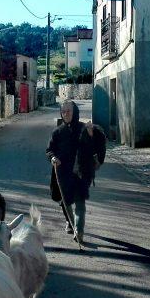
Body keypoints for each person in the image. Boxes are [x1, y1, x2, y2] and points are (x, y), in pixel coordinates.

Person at [46, 100, 104, 244]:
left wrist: (91, 135)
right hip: (63, 174)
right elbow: (49, 150)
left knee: (79, 202)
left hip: (80, 173)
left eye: (68, 111)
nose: (65, 114)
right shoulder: (57, 132)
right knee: (65, 202)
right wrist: (53, 157)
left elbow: (96, 147)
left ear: (75, 112)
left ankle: (79, 231)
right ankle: (70, 222)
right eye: (63, 111)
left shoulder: (85, 129)